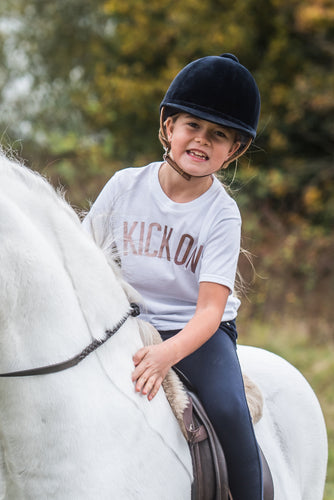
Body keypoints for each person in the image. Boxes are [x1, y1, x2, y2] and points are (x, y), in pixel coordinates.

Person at [83, 53, 262, 500]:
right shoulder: (125, 186)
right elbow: (86, 264)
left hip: (196, 333)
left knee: (227, 407)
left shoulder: (222, 214)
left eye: (218, 134)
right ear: (168, 127)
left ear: (234, 149)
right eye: (192, 127)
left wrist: (165, 355)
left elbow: (209, 311)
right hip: (124, 322)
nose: (201, 140)